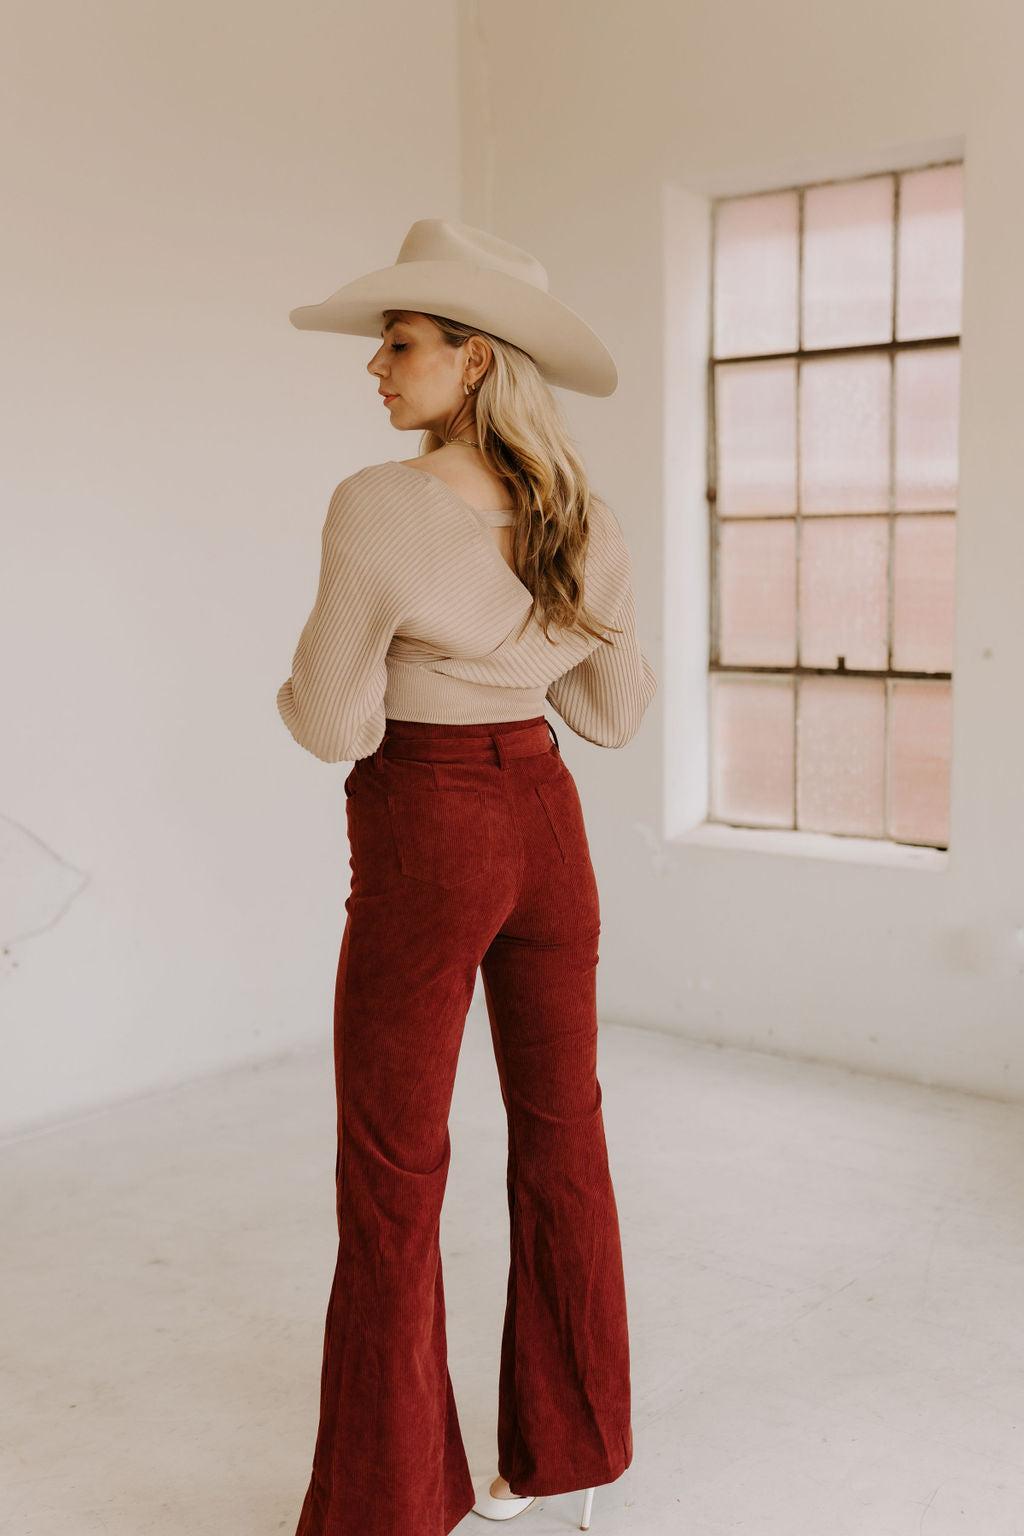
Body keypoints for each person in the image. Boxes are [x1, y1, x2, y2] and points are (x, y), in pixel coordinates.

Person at [277, 218, 657, 1536]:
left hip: (429, 822)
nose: (376, 367)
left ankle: (388, 1504)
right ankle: (568, 1456)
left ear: (474, 357)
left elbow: (332, 724)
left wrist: (379, 665)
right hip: (548, 819)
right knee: (565, 1134)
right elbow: (609, 714)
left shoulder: (379, 503)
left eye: (400, 343)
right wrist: (555, 626)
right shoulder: (582, 514)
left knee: (393, 1164)